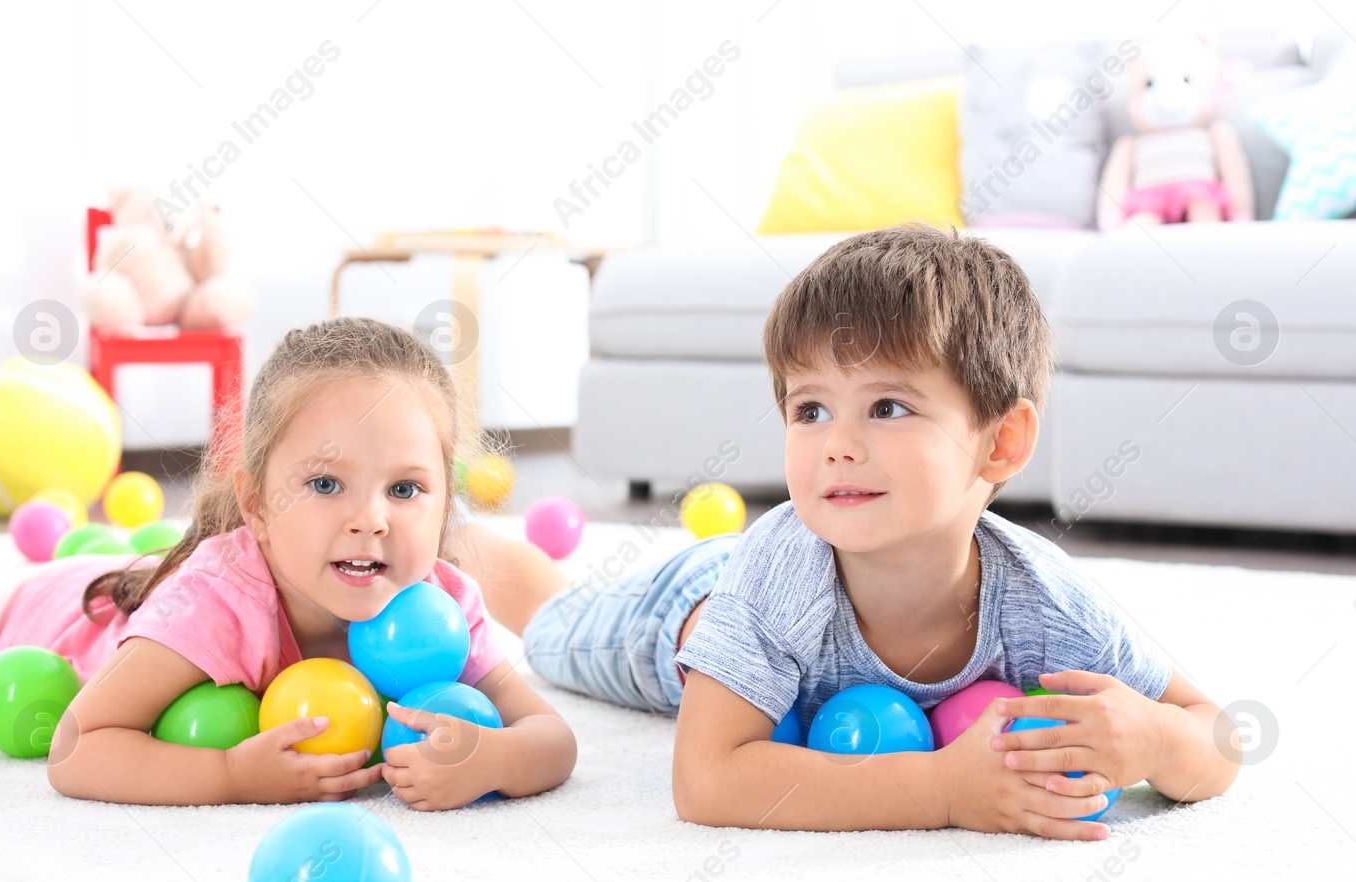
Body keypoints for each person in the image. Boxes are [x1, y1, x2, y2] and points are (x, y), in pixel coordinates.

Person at [454, 224, 1239, 841]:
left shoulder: (1046, 601)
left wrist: (1159, 744)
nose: (836, 442)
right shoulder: (782, 576)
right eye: (810, 409)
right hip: (689, 606)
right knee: (554, 624)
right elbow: (706, 782)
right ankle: (459, 545)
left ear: (1000, 442)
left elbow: (1218, 730)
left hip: (770, 572)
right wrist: (944, 791)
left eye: (888, 407)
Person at [0, 318, 576, 810]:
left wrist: (495, 760)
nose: (371, 518)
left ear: (448, 503)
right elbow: (75, 746)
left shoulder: (440, 603)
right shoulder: (219, 604)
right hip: (55, 625)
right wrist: (230, 775)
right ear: (256, 503)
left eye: (406, 489)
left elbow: (553, 737)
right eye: (325, 484)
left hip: (156, 584)